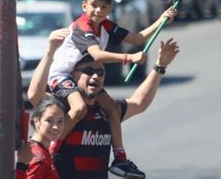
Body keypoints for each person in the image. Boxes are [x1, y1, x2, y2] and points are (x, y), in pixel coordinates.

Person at [44, 0, 177, 177]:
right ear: (84, 6)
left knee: (113, 109)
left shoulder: (106, 25)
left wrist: (161, 19)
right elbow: (97, 55)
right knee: (79, 108)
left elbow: (138, 38)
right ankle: (53, 151)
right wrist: (129, 58)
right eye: (94, 5)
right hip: (62, 76)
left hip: (78, 78)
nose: (98, 10)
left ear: (110, 10)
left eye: (104, 7)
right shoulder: (82, 27)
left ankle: (120, 159)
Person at [28, 29, 180, 178]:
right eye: (88, 71)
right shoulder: (62, 106)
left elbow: (139, 103)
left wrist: (160, 67)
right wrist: (50, 51)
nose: (95, 76)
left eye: (100, 73)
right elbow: (34, 94)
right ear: (73, 75)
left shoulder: (107, 110)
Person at [15, 96, 66, 179]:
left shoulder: (42, 151)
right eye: (49, 121)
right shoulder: (38, 157)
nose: (56, 127)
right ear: (36, 121)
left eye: (60, 121)